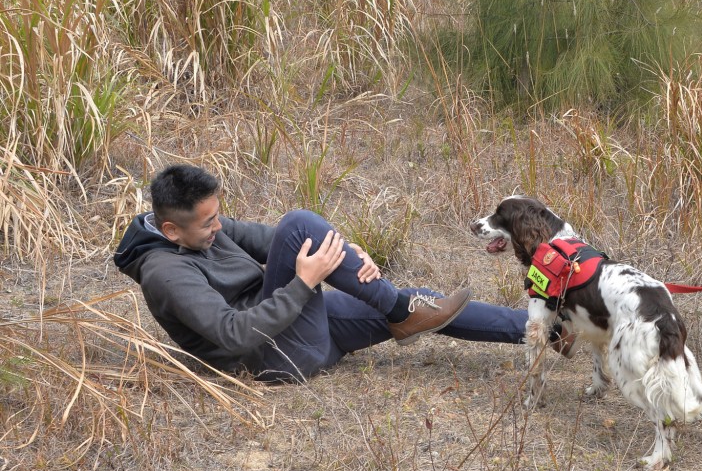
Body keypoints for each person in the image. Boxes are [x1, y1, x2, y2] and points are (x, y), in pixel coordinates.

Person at [113, 164, 532, 382]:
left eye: (217, 215)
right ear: (171, 230)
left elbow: (277, 240)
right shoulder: (164, 273)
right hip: (276, 357)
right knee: (299, 222)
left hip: (300, 328)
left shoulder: (201, 230)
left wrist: (345, 254)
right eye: (208, 223)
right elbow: (234, 334)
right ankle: (399, 310)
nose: (219, 227)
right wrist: (304, 283)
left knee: (426, 303)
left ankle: (544, 330)